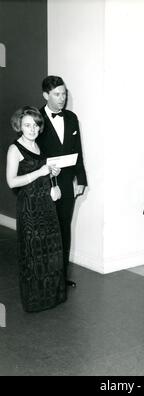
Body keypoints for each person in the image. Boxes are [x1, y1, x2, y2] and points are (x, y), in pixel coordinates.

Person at [6, 106, 66, 312]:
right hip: (29, 207)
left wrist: (51, 174)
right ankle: (35, 300)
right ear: (19, 126)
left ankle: (51, 297)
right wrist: (39, 172)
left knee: (50, 250)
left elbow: (42, 174)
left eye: (35, 125)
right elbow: (12, 182)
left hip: (46, 204)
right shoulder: (15, 149)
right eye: (27, 125)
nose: (32, 129)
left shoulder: (39, 146)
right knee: (33, 253)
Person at [37, 76, 88, 288]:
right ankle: (43, 276)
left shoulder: (72, 117)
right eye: (57, 94)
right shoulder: (35, 118)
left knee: (63, 228)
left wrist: (81, 179)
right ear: (45, 95)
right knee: (45, 229)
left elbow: (77, 150)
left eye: (64, 93)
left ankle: (60, 276)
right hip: (43, 182)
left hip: (67, 183)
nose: (62, 98)